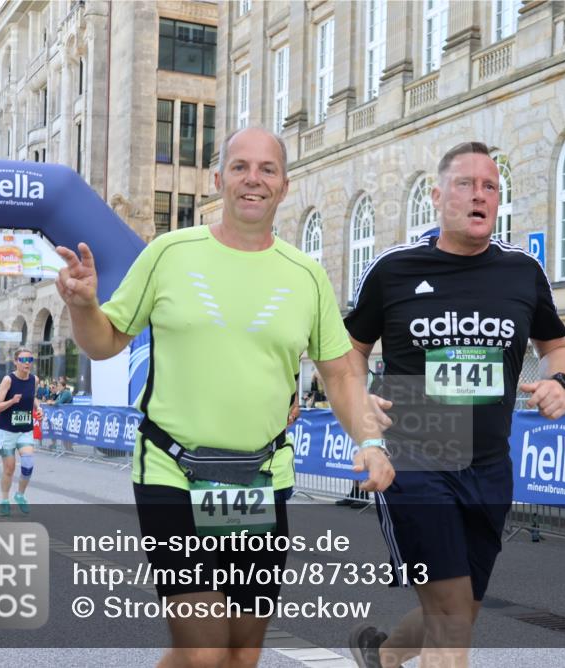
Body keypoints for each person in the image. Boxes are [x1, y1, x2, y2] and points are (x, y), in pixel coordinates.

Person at [54, 125, 393, 667]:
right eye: (240, 167)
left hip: (260, 480)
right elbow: (104, 342)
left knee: (240, 650)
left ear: (284, 185)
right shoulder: (169, 252)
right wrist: (82, 306)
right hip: (173, 471)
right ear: (219, 180)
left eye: (267, 170)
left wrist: (371, 442)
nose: (252, 180)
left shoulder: (305, 275)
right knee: (205, 650)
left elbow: (341, 373)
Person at [345, 141, 565, 668]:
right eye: (466, 184)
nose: (480, 195)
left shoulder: (522, 271)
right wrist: (360, 401)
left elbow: (555, 345)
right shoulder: (395, 269)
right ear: (437, 196)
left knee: (460, 610)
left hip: (489, 464)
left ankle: (381, 657)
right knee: (451, 624)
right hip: (417, 458)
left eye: (490, 186)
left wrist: (558, 379)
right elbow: (350, 351)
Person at [0, 347, 42, 516]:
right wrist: (12, 401)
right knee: (9, 468)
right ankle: (4, 500)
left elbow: (32, 396)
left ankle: (20, 495)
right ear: (16, 362)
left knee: (28, 464)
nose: (27, 363)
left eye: (30, 360)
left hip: (25, 430)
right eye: (23, 360)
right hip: (6, 430)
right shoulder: (9, 380)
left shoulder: (34, 379)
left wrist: (38, 407)